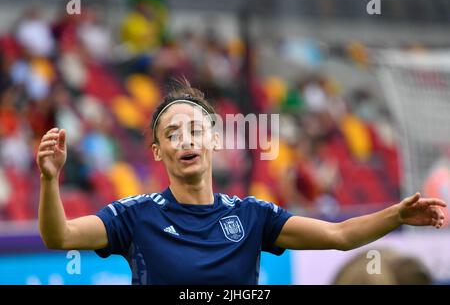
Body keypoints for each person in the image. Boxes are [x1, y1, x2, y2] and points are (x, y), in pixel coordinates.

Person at [37, 80, 447, 285]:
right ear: (158, 151)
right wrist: (50, 180)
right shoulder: (133, 216)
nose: (187, 139)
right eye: (173, 133)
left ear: (214, 139)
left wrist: (397, 214)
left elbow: (339, 235)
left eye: (195, 128)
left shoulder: (252, 215)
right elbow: (61, 237)